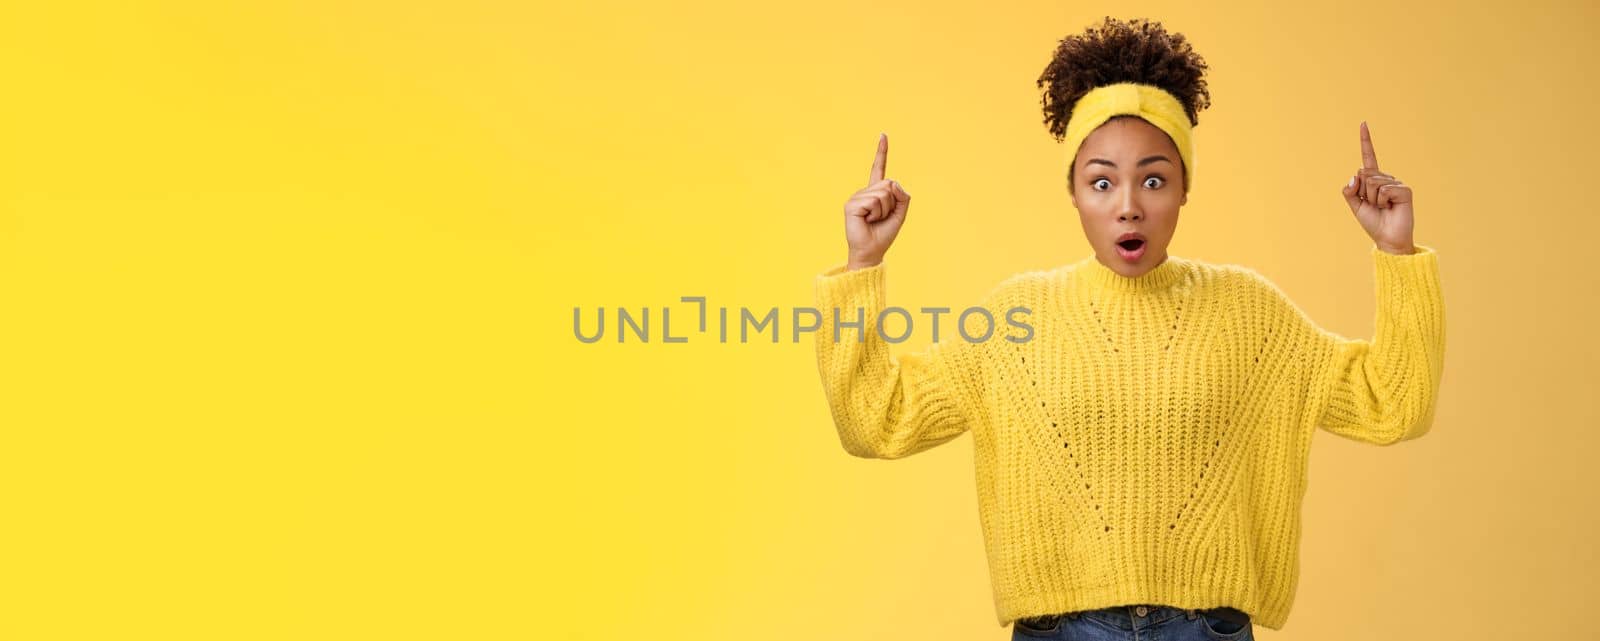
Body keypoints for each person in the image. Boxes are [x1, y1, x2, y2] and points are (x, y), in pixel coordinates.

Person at [811, 16, 1445, 640]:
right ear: (1075, 194)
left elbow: (1392, 403)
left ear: (1184, 189)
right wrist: (863, 263)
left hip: (1208, 629)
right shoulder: (1012, 321)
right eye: (1102, 181)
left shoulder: (1252, 314)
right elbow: (880, 420)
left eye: (1153, 179)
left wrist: (1396, 252)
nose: (1128, 205)